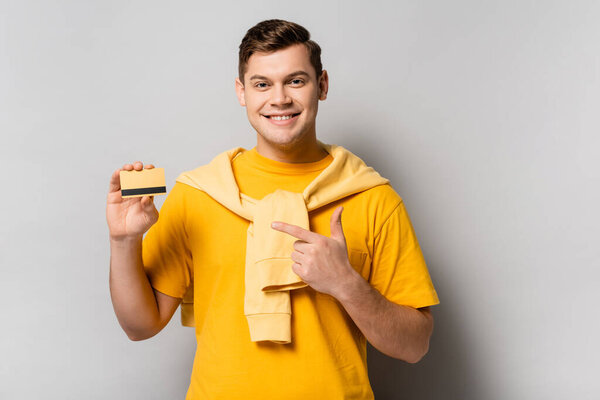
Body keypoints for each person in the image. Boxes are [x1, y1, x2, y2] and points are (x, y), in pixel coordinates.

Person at [106, 19, 439, 400]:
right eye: (262, 84)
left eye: (296, 81)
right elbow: (139, 326)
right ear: (242, 92)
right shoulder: (199, 193)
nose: (279, 98)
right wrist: (123, 240)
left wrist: (346, 285)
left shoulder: (373, 198)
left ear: (323, 85)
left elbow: (415, 347)